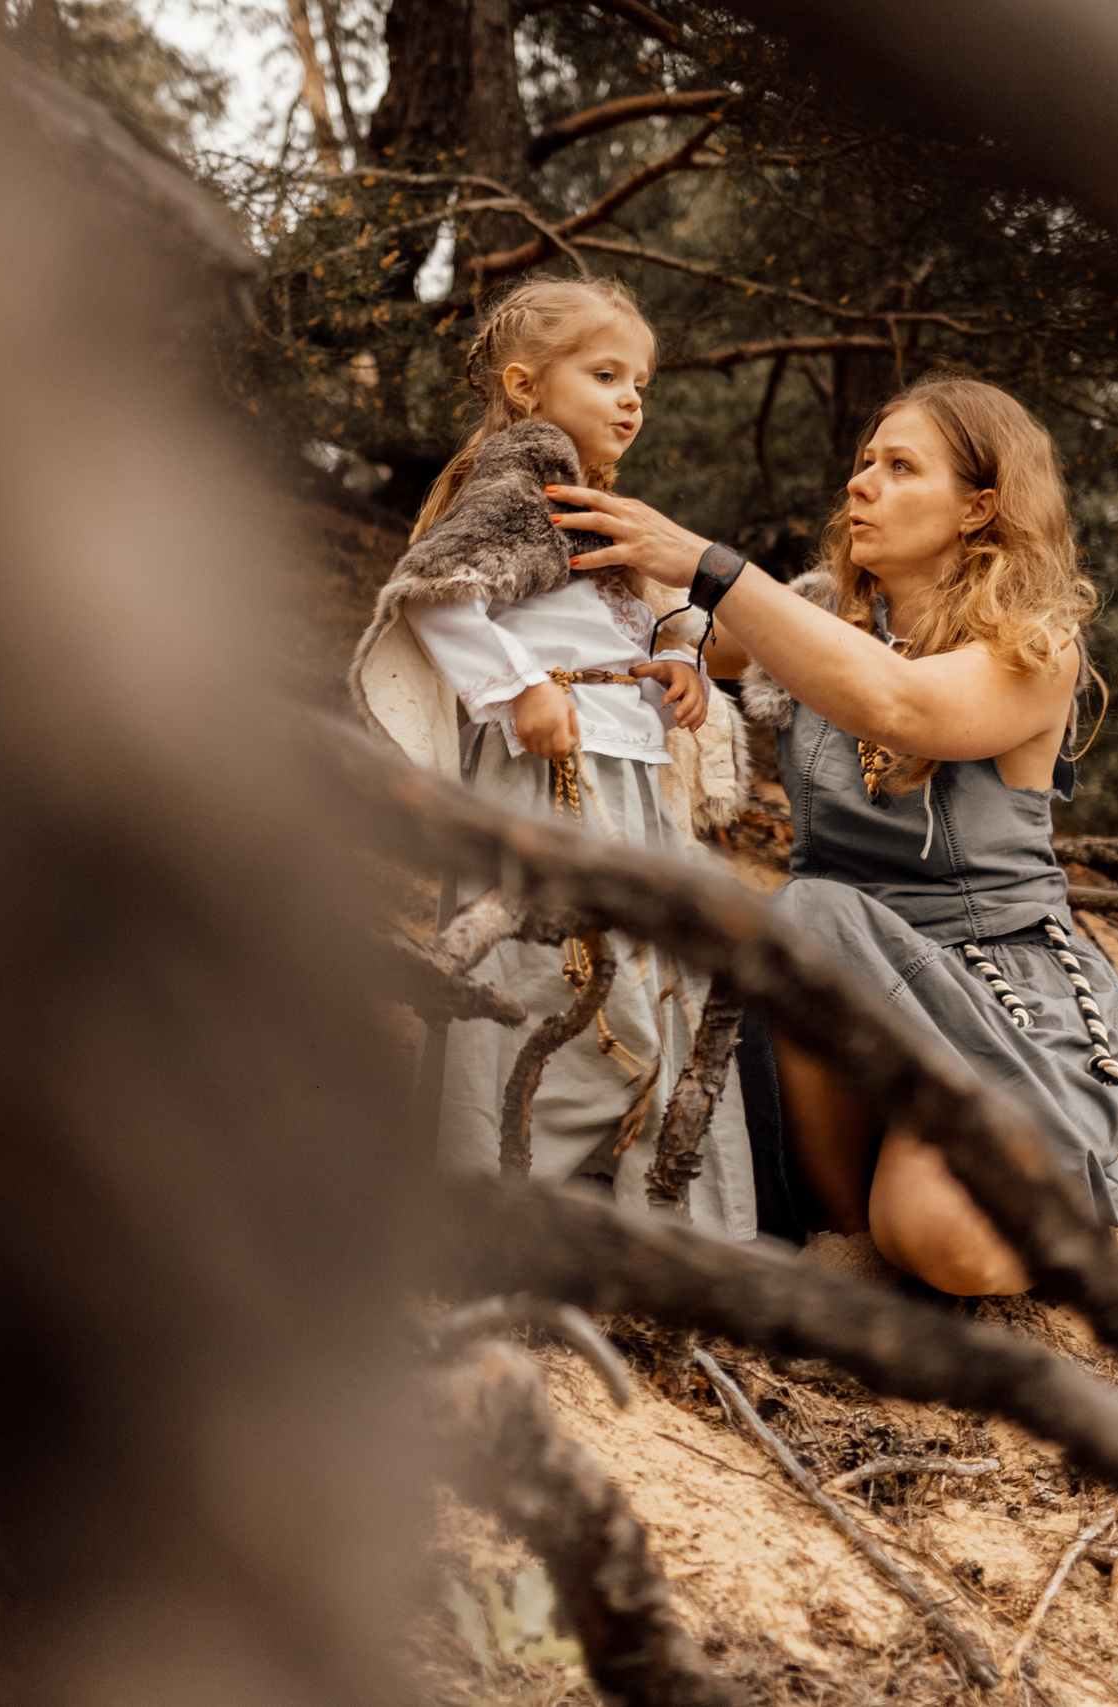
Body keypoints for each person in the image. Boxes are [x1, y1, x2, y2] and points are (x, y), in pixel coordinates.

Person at [540, 375, 1118, 1292]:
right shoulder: (821, 616)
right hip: (829, 1006)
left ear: (981, 508)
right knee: (809, 917)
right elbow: (665, 607)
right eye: (865, 463)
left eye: (902, 468)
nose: (861, 484)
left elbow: (902, 705)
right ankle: (843, 1237)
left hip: (992, 997)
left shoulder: (1035, 648)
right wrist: (560, 466)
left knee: (945, 1239)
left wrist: (714, 564)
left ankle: (1043, 1178)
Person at [348, 276, 757, 1237]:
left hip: (628, 774)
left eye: (642, 384)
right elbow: (437, 592)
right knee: (542, 981)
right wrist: (518, 686)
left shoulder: (587, 502)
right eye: (606, 373)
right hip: (551, 776)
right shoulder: (510, 479)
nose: (631, 399)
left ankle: (618, 1213)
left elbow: (615, 622)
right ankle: (499, 1199)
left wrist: (676, 663)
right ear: (527, 388)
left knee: (648, 986)